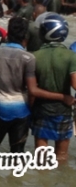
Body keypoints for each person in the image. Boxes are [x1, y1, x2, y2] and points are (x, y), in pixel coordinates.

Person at [0, 17, 68, 153]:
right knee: (17, 155)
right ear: (26, 36)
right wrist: (31, 109)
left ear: (7, 34)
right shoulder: (28, 58)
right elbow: (32, 91)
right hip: (21, 112)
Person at [31, 14, 76, 163]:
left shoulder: (34, 56)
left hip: (41, 110)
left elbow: (32, 89)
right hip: (63, 110)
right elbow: (75, 84)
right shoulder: (71, 56)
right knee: (61, 156)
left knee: (41, 157)